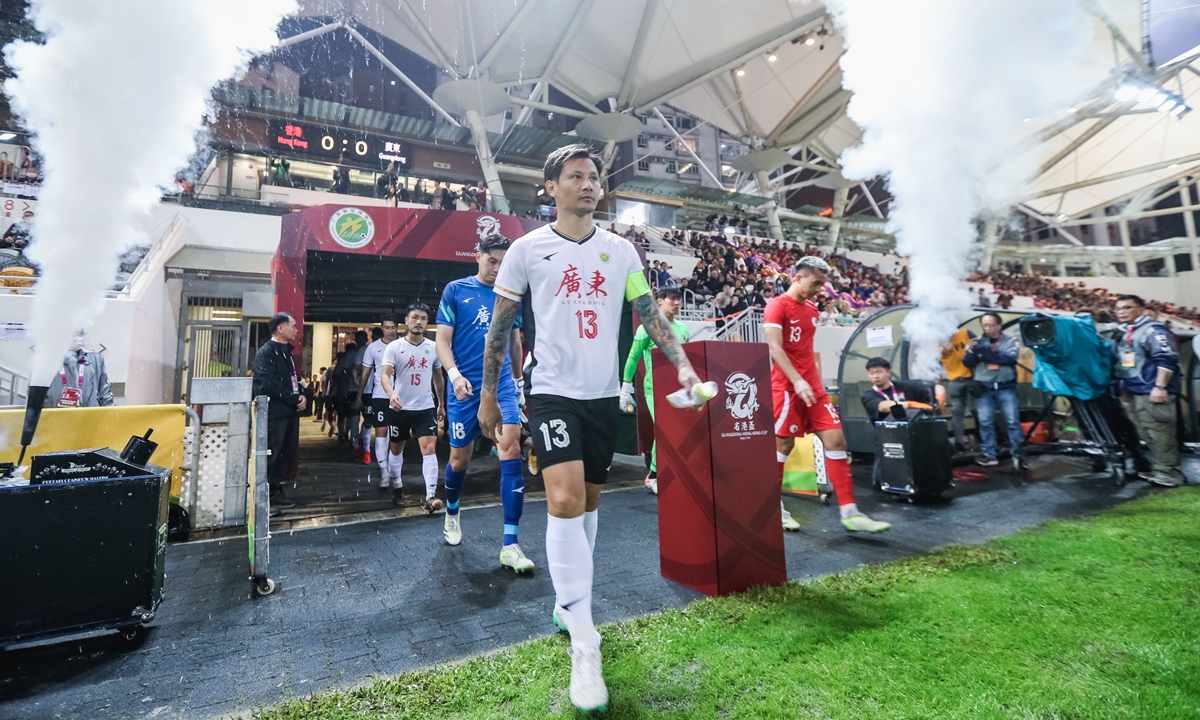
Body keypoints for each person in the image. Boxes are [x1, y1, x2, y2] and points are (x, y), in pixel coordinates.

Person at [478, 144, 704, 713]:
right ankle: (585, 639)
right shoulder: (526, 251)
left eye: (594, 177)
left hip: (604, 399)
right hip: (552, 394)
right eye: (575, 176)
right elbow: (501, 329)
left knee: (591, 507)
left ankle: (568, 604)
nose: (587, 185)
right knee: (564, 499)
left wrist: (681, 363)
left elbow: (649, 314)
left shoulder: (621, 249)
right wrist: (489, 393)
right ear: (550, 187)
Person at [765, 256, 891, 534]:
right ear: (798, 277)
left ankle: (850, 512)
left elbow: (803, 351)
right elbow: (775, 348)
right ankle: (773, 509)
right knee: (782, 447)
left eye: (823, 283)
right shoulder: (776, 306)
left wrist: (809, 380)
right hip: (786, 389)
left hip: (814, 389)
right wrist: (797, 381)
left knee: (837, 440)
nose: (820, 289)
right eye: (816, 282)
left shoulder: (811, 309)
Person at [435, 233, 533, 572]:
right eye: (492, 261)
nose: (497, 269)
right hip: (465, 388)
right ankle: (451, 512)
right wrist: (453, 375)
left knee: (512, 449)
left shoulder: (511, 296)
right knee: (459, 461)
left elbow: (516, 342)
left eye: (503, 263)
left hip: (503, 384)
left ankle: (510, 544)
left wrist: (519, 384)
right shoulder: (456, 290)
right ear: (478, 256)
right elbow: (442, 342)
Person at [619, 287, 690, 494]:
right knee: (664, 429)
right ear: (659, 301)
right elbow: (633, 357)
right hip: (654, 389)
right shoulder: (647, 328)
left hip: (677, 388)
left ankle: (659, 472)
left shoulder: (683, 328)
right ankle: (654, 475)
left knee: (675, 431)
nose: (677, 303)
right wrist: (626, 388)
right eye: (672, 299)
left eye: (679, 299)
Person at [381, 303, 446, 511]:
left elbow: (438, 376)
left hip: (425, 407)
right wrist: (391, 394)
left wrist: (441, 403)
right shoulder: (394, 347)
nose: (419, 322)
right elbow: (385, 374)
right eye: (415, 317)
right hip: (400, 408)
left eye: (424, 318)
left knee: (429, 449)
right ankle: (398, 486)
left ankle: (430, 496)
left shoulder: (433, 347)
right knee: (396, 448)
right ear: (407, 321)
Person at [1114, 295, 1184, 486]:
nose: (1121, 311)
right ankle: (1160, 469)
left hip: (1152, 390)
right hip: (1135, 390)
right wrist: (1125, 387)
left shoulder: (1154, 330)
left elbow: (1166, 359)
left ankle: (1169, 473)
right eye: (1118, 308)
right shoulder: (1126, 331)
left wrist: (1160, 386)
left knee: (1159, 431)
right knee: (1146, 432)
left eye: (1126, 307)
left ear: (1141, 309)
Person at [252, 313, 306, 511]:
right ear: (280, 328)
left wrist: (300, 395)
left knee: (284, 453)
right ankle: (264, 497)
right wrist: (294, 398)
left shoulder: (285, 352)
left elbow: (293, 380)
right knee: (272, 454)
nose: (296, 329)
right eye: (293, 325)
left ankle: (275, 492)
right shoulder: (266, 353)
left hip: (288, 411)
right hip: (275, 413)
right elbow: (271, 384)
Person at [962, 312, 1023, 467]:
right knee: (985, 423)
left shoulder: (1011, 340)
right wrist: (970, 350)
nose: (987, 328)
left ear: (999, 325)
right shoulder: (976, 343)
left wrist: (984, 354)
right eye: (984, 325)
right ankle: (990, 455)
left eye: (990, 324)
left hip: (1006, 387)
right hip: (984, 389)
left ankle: (1018, 455)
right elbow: (968, 362)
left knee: (1013, 422)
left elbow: (1009, 358)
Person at [360, 316, 401, 486]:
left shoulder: (404, 345)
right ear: (382, 328)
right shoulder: (373, 348)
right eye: (386, 327)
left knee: (397, 437)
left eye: (393, 327)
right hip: (380, 396)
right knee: (381, 433)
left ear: (397, 327)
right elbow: (365, 374)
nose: (390, 331)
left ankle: (394, 471)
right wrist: (359, 396)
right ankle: (384, 473)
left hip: (401, 396)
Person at [44, 330, 114, 408]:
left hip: (90, 416)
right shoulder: (45, 362)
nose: (77, 338)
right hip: (55, 417)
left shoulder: (95, 359)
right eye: (72, 333)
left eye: (80, 333)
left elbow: (105, 395)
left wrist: (111, 416)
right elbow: (35, 397)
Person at [940, 326, 977, 452]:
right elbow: (934, 364)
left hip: (972, 377)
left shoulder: (966, 333)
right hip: (954, 380)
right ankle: (959, 442)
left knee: (975, 409)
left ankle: (985, 437)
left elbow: (980, 349)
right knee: (957, 412)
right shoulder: (937, 343)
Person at [355, 326, 384, 464]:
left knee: (383, 424)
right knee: (368, 421)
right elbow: (357, 369)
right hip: (368, 391)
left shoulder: (391, 349)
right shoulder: (365, 350)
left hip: (385, 393)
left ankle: (381, 453)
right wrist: (357, 380)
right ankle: (366, 450)